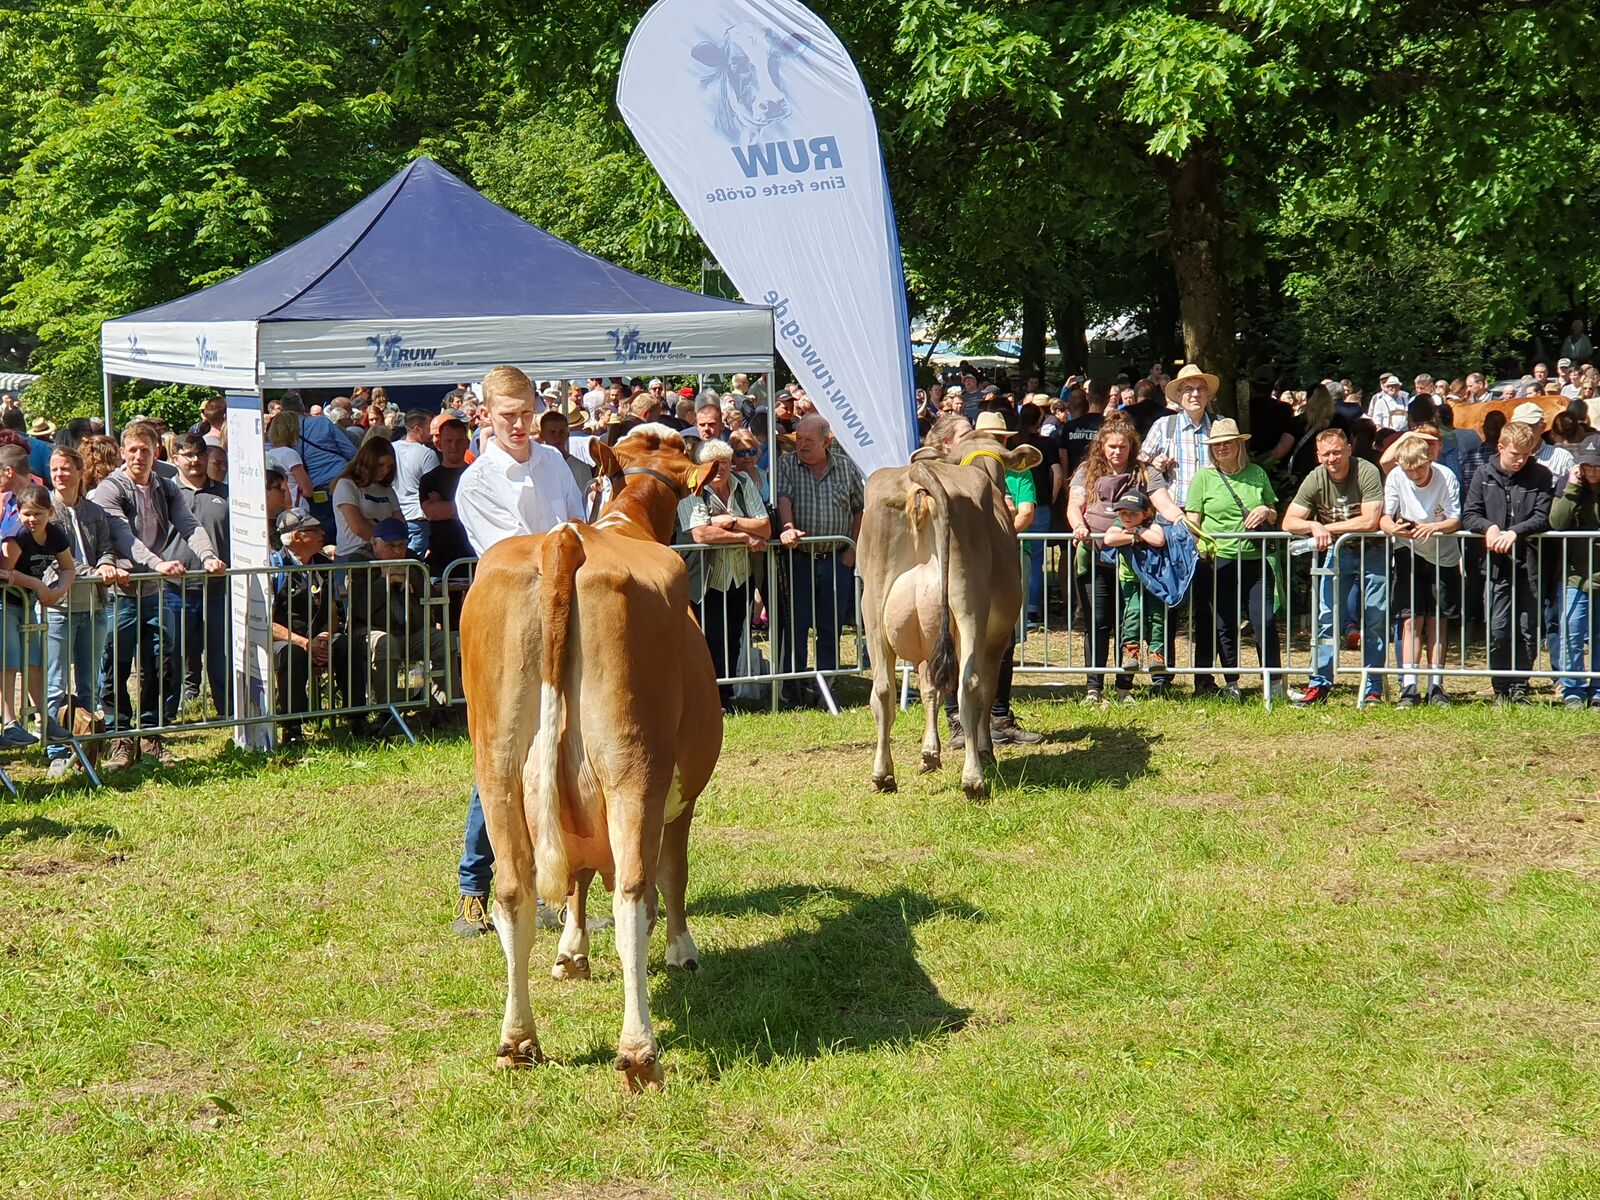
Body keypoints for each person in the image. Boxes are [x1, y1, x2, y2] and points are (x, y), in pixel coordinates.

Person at [451, 365, 586, 938]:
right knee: (503, 757)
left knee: (565, 749)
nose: (520, 424)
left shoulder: (554, 462)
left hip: (571, 618)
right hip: (509, 631)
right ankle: (473, 887)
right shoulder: (476, 483)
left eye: (526, 412)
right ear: (485, 415)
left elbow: (581, 527)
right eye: (508, 415)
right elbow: (515, 553)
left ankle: (563, 887)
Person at [91, 422, 226, 769]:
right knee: (117, 664)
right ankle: (120, 738)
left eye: (146, 450)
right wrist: (158, 564)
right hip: (120, 591)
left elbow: (189, 524)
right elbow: (122, 535)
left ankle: (151, 736)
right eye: (133, 450)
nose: (139, 456)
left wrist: (208, 556)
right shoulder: (111, 489)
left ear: (156, 453)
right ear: (123, 452)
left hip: (153, 590)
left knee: (160, 661)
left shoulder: (166, 488)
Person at [1065, 416, 1186, 702]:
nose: (1117, 452)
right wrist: (1078, 525)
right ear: (1102, 447)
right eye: (1112, 446)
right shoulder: (1086, 471)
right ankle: (1093, 688)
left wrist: (1182, 521)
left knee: (1127, 623)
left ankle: (1124, 688)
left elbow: (1163, 503)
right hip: (1096, 559)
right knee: (1097, 623)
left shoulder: (1145, 473)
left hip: (1135, 563)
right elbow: (1075, 504)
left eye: (1122, 446)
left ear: (1132, 447)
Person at [1283, 428, 1387, 705]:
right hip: (1337, 554)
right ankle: (1319, 684)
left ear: (1349, 450)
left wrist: (1327, 527)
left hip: (1372, 552)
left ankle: (1372, 686)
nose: (1332, 459)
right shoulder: (1315, 478)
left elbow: (1369, 522)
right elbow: (1289, 521)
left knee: (1375, 619)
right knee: (1326, 618)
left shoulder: (1366, 471)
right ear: (1318, 456)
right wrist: (1312, 525)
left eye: (1337, 452)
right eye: (1326, 454)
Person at [1184, 419, 1282, 700]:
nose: (1222, 448)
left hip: (1255, 557)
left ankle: (1273, 683)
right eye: (1216, 444)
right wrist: (1202, 544)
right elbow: (1193, 520)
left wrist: (1265, 510)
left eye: (1227, 442)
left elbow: (1273, 512)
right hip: (1218, 559)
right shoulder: (1204, 478)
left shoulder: (1257, 473)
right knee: (1223, 622)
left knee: (1264, 620)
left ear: (1240, 444)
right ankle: (1231, 682)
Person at [775, 413, 864, 706]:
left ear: (826, 441)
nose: (801, 445)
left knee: (830, 626)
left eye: (808, 440)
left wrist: (852, 552)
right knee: (797, 625)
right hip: (800, 559)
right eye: (798, 439)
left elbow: (860, 508)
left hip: (836, 559)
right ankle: (795, 686)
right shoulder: (787, 464)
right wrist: (787, 527)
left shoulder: (846, 468)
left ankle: (826, 685)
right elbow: (784, 499)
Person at [1463, 420, 1553, 705]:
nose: (1520, 460)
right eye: (1515, 454)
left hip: (1530, 561)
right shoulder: (1483, 473)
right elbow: (1469, 513)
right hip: (1495, 564)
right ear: (1500, 447)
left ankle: (1520, 685)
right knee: (1498, 627)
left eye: (1526, 454)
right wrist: (1488, 527)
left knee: (1528, 628)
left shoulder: (1540, 474)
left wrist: (1515, 532)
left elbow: (1543, 514)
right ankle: (1501, 685)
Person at [44, 447, 121, 777]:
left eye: (65, 468)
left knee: (91, 681)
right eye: (54, 468)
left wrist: (106, 564)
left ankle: (88, 749)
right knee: (56, 684)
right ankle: (57, 750)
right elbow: (52, 559)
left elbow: (106, 548)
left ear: (79, 471)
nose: (59, 474)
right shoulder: (43, 509)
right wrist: (94, 571)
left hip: (94, 605)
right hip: (59, 606)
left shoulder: (95, 510)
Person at [677, 438, 770, 711]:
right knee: (708, 638)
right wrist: (744, 536)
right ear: (703, 466)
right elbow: (701, 533)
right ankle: (706, 698)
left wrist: (731, 521)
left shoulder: (743, 484)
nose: (720, 468)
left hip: (740, 576)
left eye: (725, 462)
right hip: (705, 580)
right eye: (713, 464)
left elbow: (764, 527)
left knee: (734, 636)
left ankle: (725, 696)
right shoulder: (692, 490)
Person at [1380, 433, 1462, 708]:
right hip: (1408, 550)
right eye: (1408, 469)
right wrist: (1391, 527)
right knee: (1409, 620)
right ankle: (1409, 685)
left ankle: (1436, 685)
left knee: (1438, 620)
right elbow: (1385, 516)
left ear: (1430, 460)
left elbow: (1454, 519)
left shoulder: (1446, 475)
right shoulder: (1396, 477)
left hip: (1443, 555)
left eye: (1420, 468)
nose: (1414, 474)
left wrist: (1433, 528)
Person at [344, 516, 451, 723]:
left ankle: (441, 707)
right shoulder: (358, 561)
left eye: (401, 545)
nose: (397, 551)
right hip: (369, 630)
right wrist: (384, 582)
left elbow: (424, 594)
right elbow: (360, 609)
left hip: (409, 631)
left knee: (441, 640)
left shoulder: (411, 560)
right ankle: (389, 713)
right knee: (387, 643)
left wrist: (412, 577)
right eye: (390, 546)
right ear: (374, 544)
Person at [268, 509, 362, 741]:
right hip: (285, 641)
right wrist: (304, 642)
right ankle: (293, 729)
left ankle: (357, 718)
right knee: (293, 655)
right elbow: (266, 622)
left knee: (348, 645)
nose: (323, 533)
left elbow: (332, 609)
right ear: (297, 537)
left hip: (318, 637)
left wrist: (324, 635)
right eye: (315, 530)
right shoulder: (273, 567)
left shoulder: (323, 564)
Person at [0, 484, 74, 746]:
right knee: (8, 663)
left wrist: (57, 591)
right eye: (27, 514)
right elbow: (5, 573)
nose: (32, 520)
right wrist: (38, 585)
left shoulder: (55, 535)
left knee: (34, 661)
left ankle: (45, 718)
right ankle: (9, 722)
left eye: (38, 514)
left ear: (50, 513)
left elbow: (68, 568)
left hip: (28, 602)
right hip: (7, 603)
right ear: (18, 513)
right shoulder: (16, 537)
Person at [172, 433, 231, 717]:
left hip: (218, 587)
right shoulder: (164, 494)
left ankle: (227, 710)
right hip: (174, 586)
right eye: (187, 455)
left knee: (220, 653)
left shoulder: (226, 493)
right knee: (176, 652)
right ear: (175, 459)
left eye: (199, 454)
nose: (194, 460)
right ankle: (172, 710)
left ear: (207, 458)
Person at [1550, 435, 1600, 708]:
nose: (1592, 471)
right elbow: (1557, 522)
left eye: (1597, 466)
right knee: (1572, 629)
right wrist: (1571, 487)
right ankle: (1572, 688)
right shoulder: (1568, 484)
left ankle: (1598, 688)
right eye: (1587, 466)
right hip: (1574, 574)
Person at [1103, 491, 1168, 678]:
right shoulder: (1118, 525)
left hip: (1154, 581)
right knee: (1133, 613)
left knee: (1156, 615)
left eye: (1133, 513)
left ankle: (1156, 654)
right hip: (1129, 580)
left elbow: (1158, 539)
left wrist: (1138, 531)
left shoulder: (1153, 524)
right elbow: (1109, 539)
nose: (1127, 517)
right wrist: (1134, 537)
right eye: (1123, 513)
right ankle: (1131, 651)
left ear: (1145, 513)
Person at [1143, 363, 1217, 506]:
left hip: (1213, 513)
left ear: (1207, 394)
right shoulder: (1163, 426)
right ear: (1178, 395)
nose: (1195, 394)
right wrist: (1154, 463)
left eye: (1200, 389)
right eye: (1188, 389)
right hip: (1175, 512)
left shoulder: (1219, 425)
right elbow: (1140, 461)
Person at [418, 417, 474, 579]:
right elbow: (432, 512)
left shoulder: (477, 475)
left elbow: (487, 508)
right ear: (439, 444)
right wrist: (469, 505)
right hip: (442, 559)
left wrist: (445, 505)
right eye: (448, 441)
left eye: (459, 441)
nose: (454, 446)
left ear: (467, 443)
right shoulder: (429, 479)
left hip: (475, 554)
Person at [331, 437, 400, 559]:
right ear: (368, 461)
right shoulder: (346, 485)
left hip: (384, 555)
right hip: (352, 555)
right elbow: (358, 528)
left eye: (389, 467)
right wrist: (387, 543)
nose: (385, 471)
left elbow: (400, 524)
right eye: (380, 465)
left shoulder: (387, 490)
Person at [392, 410, 441, 557]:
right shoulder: (427, 454)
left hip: (395, 515)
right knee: (414, 565)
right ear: (417, 430)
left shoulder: (391, 448)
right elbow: (434, 486)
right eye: (429, 428)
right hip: (418, 517)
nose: (432, 433)